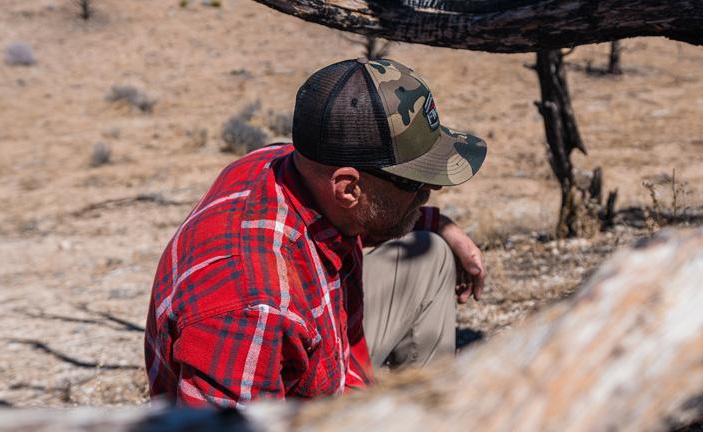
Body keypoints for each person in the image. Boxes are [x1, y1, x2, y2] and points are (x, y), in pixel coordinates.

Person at [145, 58, 488, 407]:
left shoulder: (289, 163)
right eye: (416, 183)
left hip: (321, 367)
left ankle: (423, 426)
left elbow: (368, 215)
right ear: (348, 188)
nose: (431, 191)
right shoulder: (252, 306)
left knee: (429, 254)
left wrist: (439, 224)